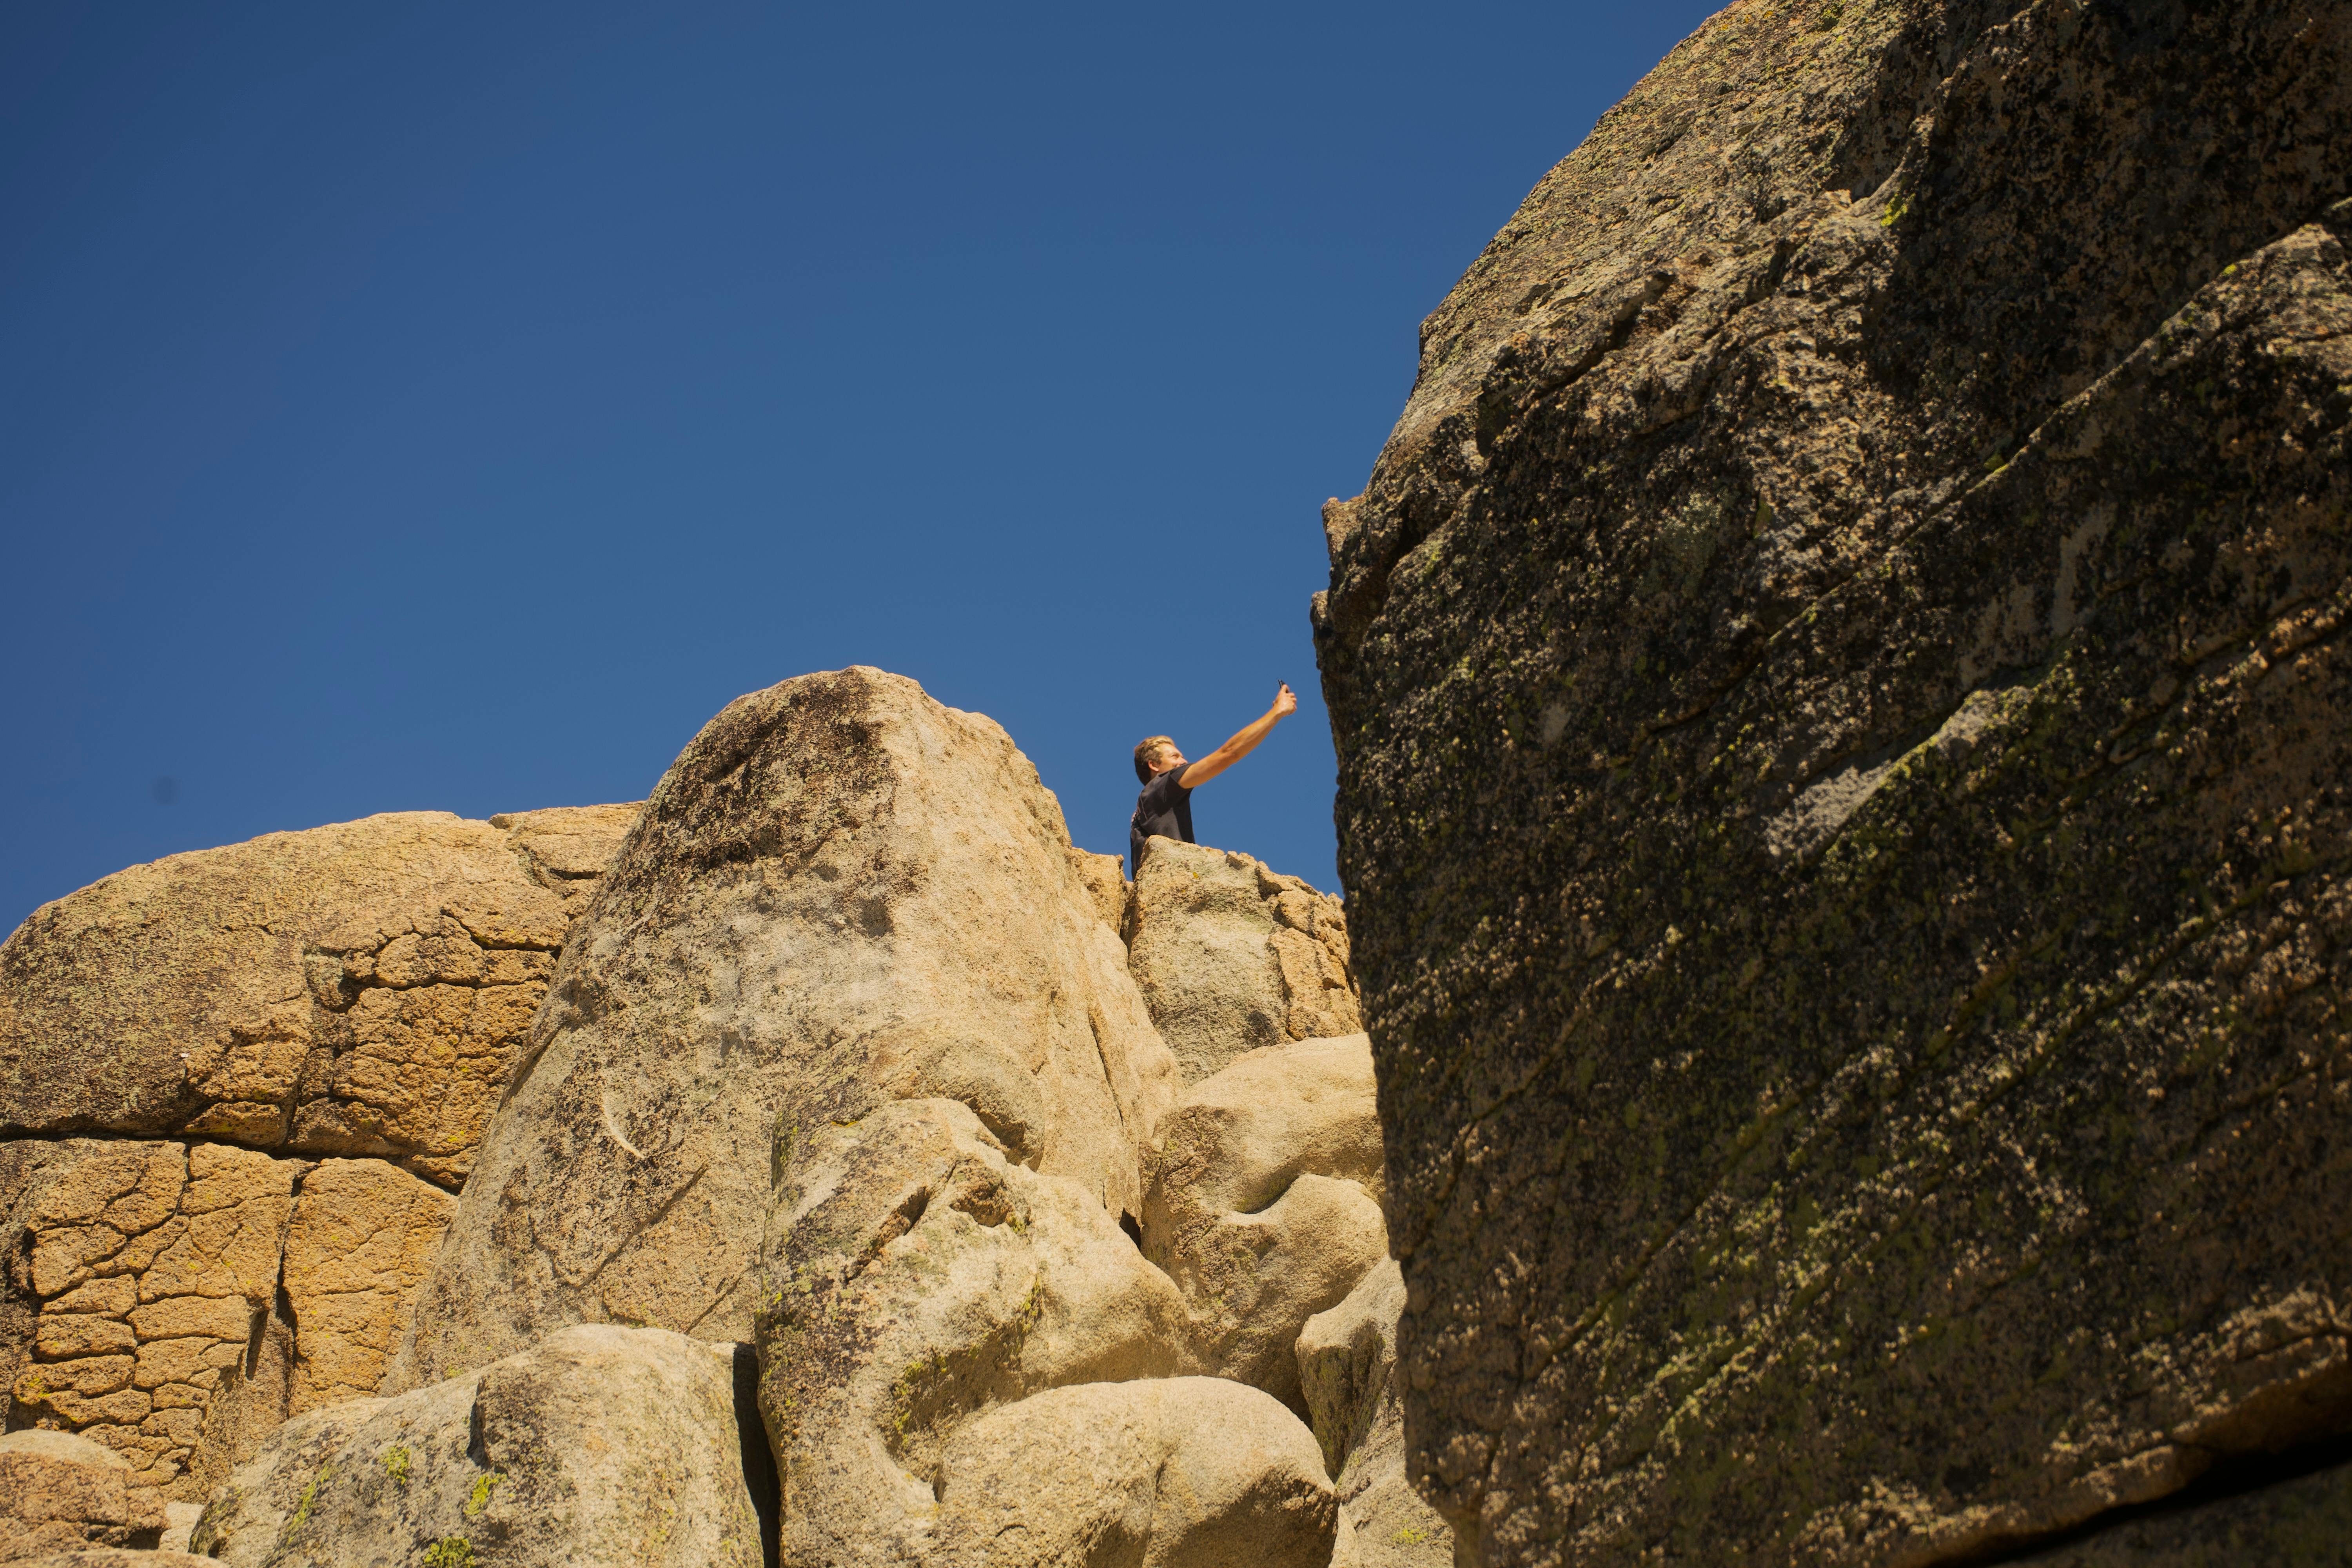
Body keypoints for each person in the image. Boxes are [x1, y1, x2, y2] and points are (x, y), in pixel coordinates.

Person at [1129, 682, 1299, 875]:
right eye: (1175, 757)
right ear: (1154, 765)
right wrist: (1277, 712)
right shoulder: (1163, 785)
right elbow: (1229, 754)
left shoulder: (1145, 808)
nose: (1183, 761)